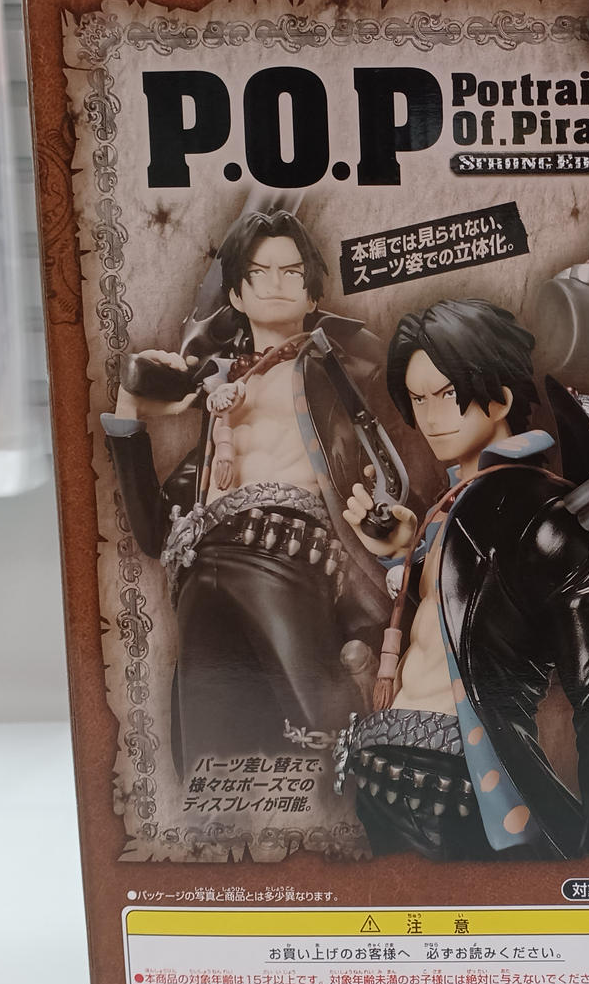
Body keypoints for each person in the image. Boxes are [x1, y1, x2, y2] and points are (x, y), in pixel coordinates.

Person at [338, 298, 589, 861]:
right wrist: (404, 557)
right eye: (418, 399)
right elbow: (455, 628)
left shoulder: (545, 517)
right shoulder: (448, 511)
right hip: (386, 778)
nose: (431, 417)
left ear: (499, 398)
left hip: (461, 791)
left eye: (447, 394)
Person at [102, 209, 390, 778]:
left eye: (292, 272)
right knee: (212, 763)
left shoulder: (334, 374)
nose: (276, 283)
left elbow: (373, 362)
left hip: (289, 564)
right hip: (203, 573)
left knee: (327, 746)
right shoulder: (218, 406)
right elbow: (156, 534)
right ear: (236, 292)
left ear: (312, 292)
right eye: (259, 273)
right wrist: (130, 407)